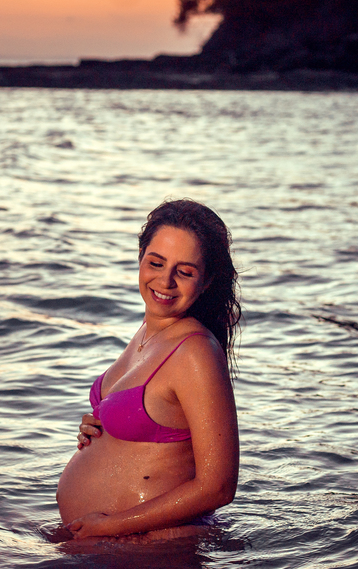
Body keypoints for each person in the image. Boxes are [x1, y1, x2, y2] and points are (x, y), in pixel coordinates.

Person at [57, 199, 241, 540]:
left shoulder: (195, 351)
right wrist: (100, 429)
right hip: (111, 551)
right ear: (140, 258)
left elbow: (218, 486)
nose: (165, 280)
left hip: (150, 559)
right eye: (155, 262)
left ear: (207, 281)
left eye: (184, 272)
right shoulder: (147, 334)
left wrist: (111, 526)